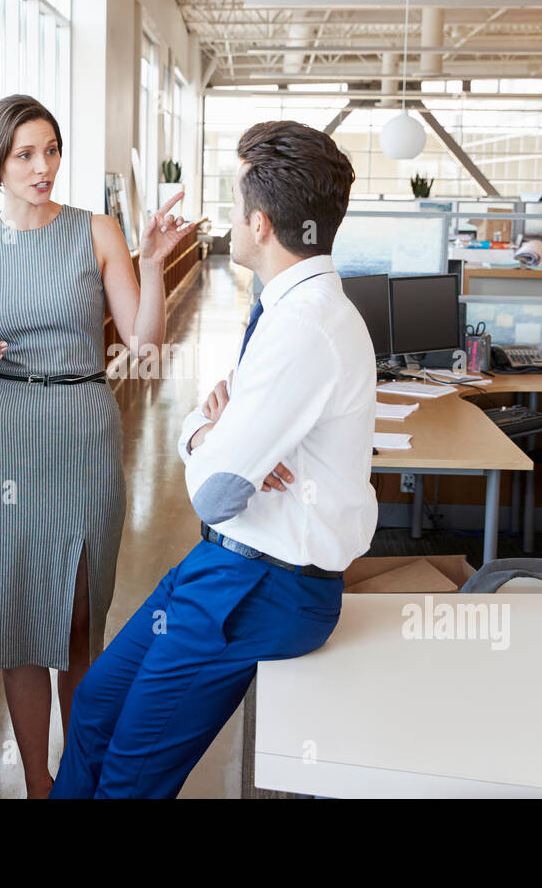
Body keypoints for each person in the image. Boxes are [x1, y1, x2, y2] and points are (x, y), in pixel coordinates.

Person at [51, 120, 379, 798]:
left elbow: (215, 490)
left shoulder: (303, 325)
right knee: (94, 707)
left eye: (234, 203)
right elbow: (220, 448)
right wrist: (215, 433)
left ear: (260, 225)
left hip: (265, 583)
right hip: (228, 563)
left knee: (129, 778)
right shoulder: (293, 306)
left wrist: (210, 437)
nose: (228, 216)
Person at [0, 95, 196, 798]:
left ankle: (79, 774)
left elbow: (143, 346)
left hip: (83, 425)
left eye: (51, 150)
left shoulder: (97, 231)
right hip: (7, 433)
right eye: (26, 154)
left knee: (81, 615)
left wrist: (150, 264)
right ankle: (35, 781)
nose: (44, 166)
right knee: (21, 613)